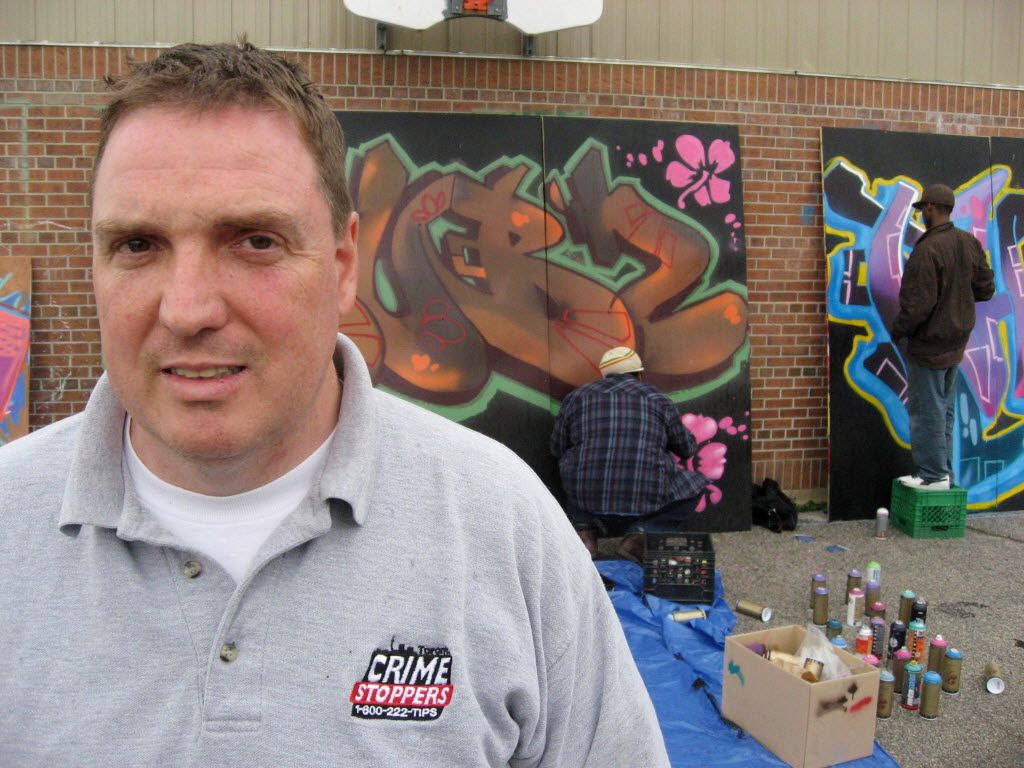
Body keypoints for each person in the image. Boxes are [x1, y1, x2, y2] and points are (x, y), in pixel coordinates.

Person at [0, 42, 670, 767]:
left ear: (343, 265)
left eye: (254, 241)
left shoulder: (504, 527)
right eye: (137, 244)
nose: (187, 307)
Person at [551, 346, 708, 561]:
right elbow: (687, 449)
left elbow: (557, 448)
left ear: (604, 375)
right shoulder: (658, 399)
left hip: (586, 492)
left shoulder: (577, 397)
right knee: (696, 483)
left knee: (575, 468)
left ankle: (583, 534)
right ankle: (641, 536)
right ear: (639, 374)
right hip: (647, 491)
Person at [891, 183, 994, 490]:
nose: (922, 213)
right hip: (956, 344)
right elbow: (986, 289)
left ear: (933, 208)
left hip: (929, 346)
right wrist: (958, 300)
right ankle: (942, 473)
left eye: (924, 208)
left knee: (926, 412)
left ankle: (932, 475)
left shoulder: (928, 250)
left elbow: (917, 306)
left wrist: (899, 330)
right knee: (943, 410)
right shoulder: (969, 243)